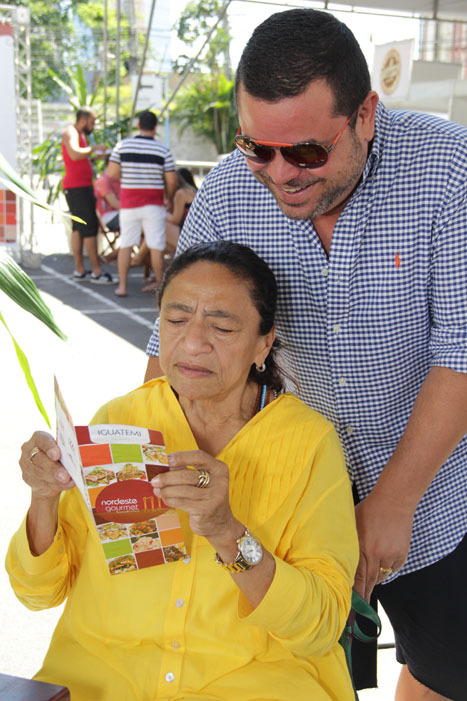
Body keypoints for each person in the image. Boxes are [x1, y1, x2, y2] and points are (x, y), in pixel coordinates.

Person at [144, 10, 467, 701]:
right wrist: (141, 464)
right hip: (280, 497)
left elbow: (461, 349)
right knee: (303, 674)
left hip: (432, 489)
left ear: (365, 115)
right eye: (258, 148)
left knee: (445, 669)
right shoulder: (231, 188)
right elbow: (173, 349)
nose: (279, 173)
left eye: (307, 153)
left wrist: (393, 500)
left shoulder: (448, 171)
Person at [6, 242, 358, 701]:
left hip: (254, 686)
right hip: (104, 681)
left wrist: (228, 533)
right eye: (176, 320)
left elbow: (321, 625)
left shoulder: (309, 443)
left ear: (263, 343)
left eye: (223, 326)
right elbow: (36, 593)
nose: (193, 342)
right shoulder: (120, 422)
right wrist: (44, 497)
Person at [108, 110, 177, 297]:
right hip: (154, 204)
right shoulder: (163, 150)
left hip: (129, 203)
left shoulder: (123, 146)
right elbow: (171, 180)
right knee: (156, 245)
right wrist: (169, 198)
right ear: (155, 128)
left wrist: (129, 177)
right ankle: (160, 286)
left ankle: (122, 286)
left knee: (126, 243)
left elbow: (112, 173)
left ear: (138, 126)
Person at [61, 106, 114, 284]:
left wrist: (93, 157)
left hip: (79, 187)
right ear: (83, 120)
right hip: (78, 188)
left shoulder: (78, 134)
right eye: (92, 122)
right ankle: (97, 272)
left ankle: (80, 270)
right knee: (90, 229)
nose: (93, 126)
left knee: (78, 229)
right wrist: (93, 148)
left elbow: (77, 157)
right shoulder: (71, 131)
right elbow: (74, 154)